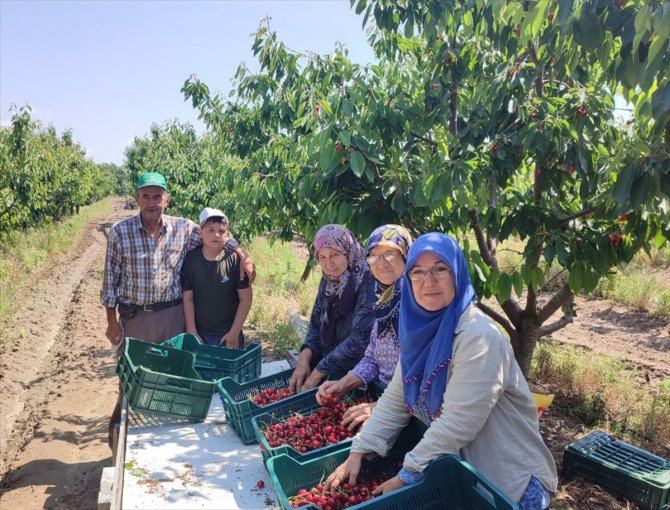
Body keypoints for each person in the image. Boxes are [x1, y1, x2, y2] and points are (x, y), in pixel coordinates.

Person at [325, 233, 558, 510]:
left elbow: (458, 422)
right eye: (419, 272)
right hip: (464, 474)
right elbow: (396, 399)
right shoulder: (418, 332)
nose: (429, 281)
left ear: (457, 273)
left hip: (510, 484)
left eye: (440, 269)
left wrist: (404, 476)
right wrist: (359, 450)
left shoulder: (479, 338)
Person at [101, 172, 254, 448]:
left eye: (157, 196)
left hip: (173, 315)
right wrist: (112, 322)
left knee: (175, 378)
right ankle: (121, 439)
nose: (152, 202)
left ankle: (167, 442)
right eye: (146, 196)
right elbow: (110, 281)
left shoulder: (182, 229)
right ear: (136, 198)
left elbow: (215, 233)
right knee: (132, 379)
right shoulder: (120, 233)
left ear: (167, 200)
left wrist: (242, 254)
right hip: (137, 317)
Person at [316, 224, 413, 430]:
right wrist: (344, 383)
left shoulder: (418, 305)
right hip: (383, 398)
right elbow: (372, 358)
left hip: (410, 411)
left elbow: (421, 376)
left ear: (407, 255)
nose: (381, 263)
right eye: (374, 256)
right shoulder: (383, 299)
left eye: (389, 254)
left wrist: (381, 407)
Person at [288, 224, 376, 393]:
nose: (329, 264)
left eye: (335, 254)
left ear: (348, 251)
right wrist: (304, 358)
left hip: (358, 375)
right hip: (331, 368)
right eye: (322, 257)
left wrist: (319, 371)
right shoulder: (329, 280)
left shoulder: (369, 280)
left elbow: (360, 339)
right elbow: (316, 323)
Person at [181, 207, 252, 347]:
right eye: (211, 230)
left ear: (227, 234)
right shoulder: (191, 259)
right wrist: (192, 331)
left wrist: (234, 332)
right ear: (200, 232)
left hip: (229, 333)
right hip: (200, 333)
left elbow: (246, 299)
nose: (217, 235)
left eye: (221, 231)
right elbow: (188, 298)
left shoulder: (234, 260)